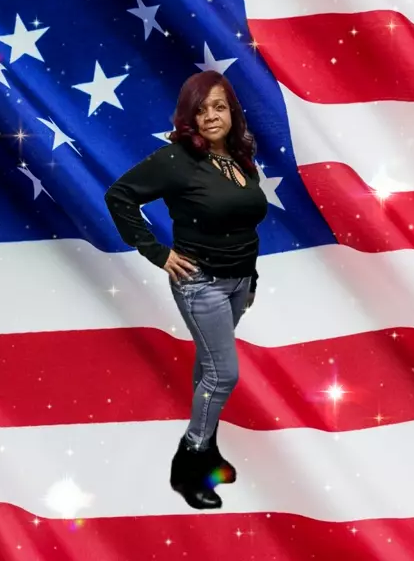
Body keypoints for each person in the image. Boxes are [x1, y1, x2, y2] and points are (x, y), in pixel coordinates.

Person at [104, 70, 268, 510]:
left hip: (238, 283)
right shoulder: (177, 159)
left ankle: (208, 451)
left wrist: (250, 279)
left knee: (209, 367)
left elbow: (243, 225)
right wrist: (157, 252)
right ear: (188, 116)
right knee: (223, 374)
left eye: (219, 106)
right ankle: (189, 461)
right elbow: (120, 196)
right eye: (201, 109)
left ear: (232, 112)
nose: (211, 116)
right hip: (201, 284)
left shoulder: (238, 157)